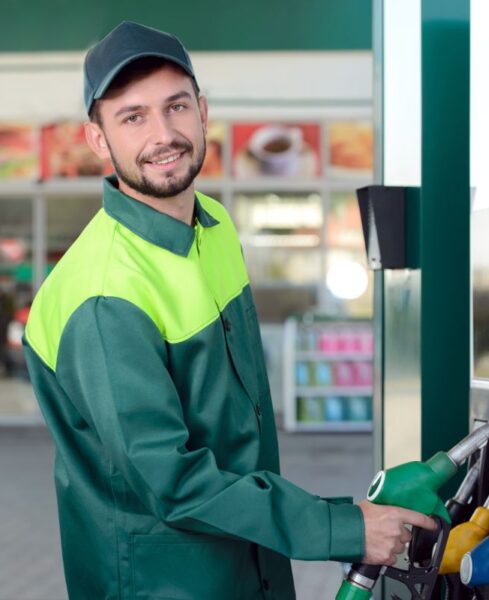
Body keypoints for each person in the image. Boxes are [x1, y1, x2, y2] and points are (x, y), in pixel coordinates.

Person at [23, 21, 435, 600]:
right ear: (98, 140)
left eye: (176, 106)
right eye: (133, 116)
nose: (163, 134)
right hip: (166, 585)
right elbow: (170, 480)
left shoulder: (212, 227)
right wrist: (342, 527)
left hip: (251, 561)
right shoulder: (102, 297)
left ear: (203, 111)